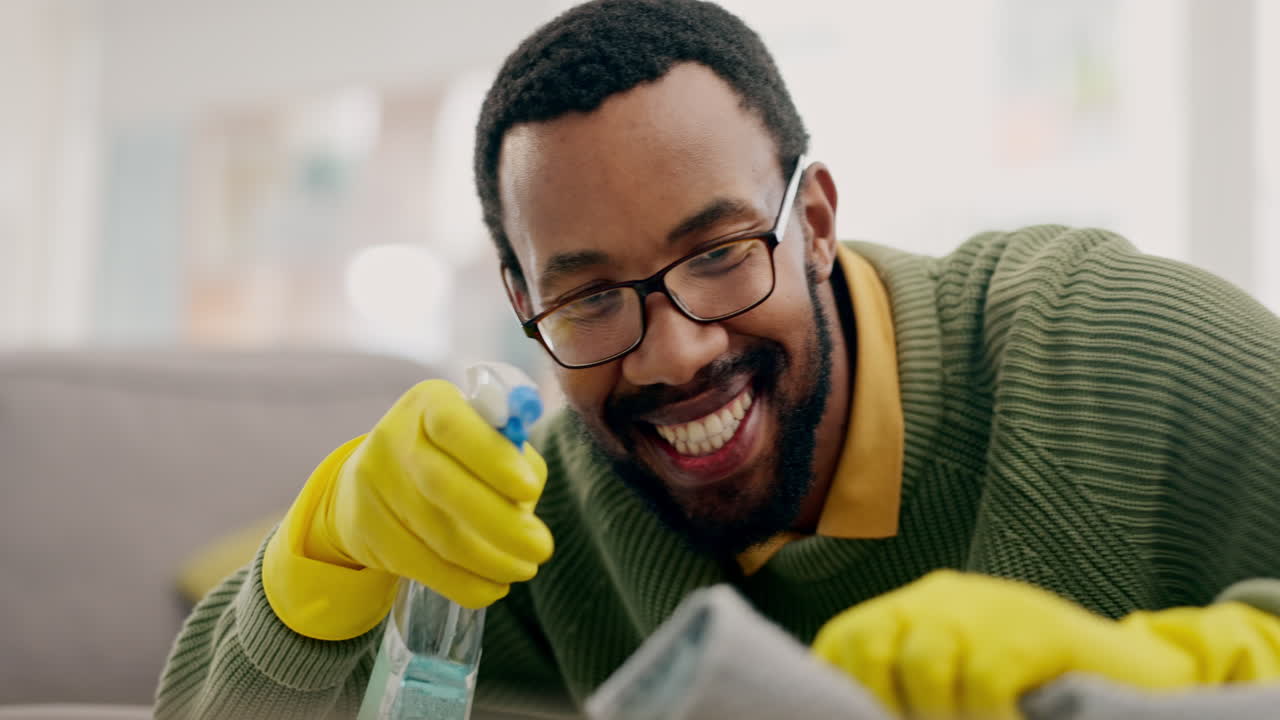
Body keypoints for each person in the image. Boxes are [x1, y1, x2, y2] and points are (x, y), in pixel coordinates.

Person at [156, 1, 1280, 718]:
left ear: (817, 221)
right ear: (521, 303)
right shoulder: (555, 516)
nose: (675, 351)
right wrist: (327, 555)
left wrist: (1170, 675)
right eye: (590, 297)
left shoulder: (1098, 341)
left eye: (720, 252)